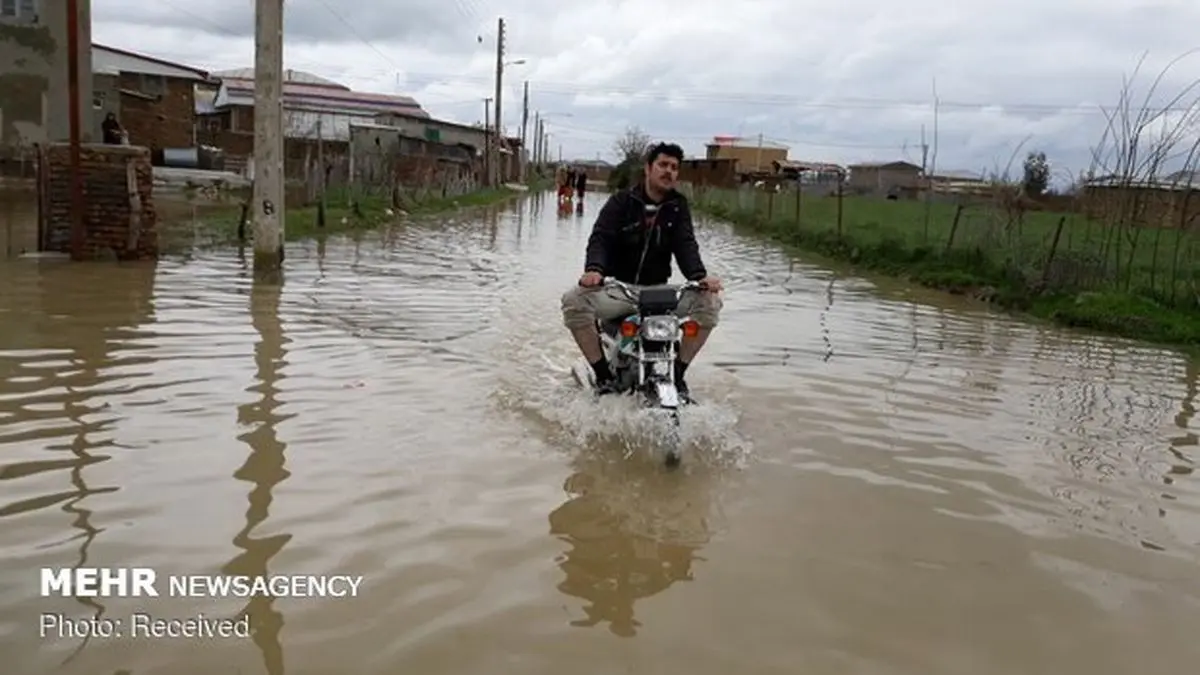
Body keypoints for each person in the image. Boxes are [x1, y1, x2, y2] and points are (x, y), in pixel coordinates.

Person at [560, 142, 723, 401]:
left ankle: (678, 375)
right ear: (648, 168)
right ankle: (603, 376)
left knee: (710, 302)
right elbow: (600, 238)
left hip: (658, 291)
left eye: (674, 167)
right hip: (620, 289)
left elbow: (686, 244)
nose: (668, 171)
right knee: (573, 301)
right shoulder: (621, 202)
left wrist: (699, 277)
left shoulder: (678, 206)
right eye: (663, 165)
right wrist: (594, 271)